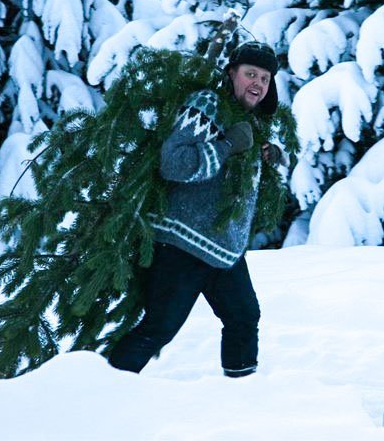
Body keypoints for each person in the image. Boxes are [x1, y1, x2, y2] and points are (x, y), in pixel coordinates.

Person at [108, 40, 284, 378]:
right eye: (251, 74)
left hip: (223, 249)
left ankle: (241, 395)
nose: (258, 85)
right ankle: (104, 392)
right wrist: (229, 145)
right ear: (231, 73)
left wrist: (268, 154)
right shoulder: (207, 105)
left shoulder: (250, 120)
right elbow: (174, 164)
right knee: (159, 329)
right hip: (183, 242)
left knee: (244, 316)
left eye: (265, 79)